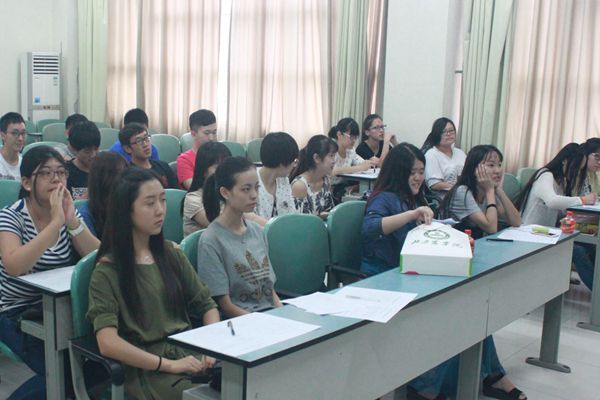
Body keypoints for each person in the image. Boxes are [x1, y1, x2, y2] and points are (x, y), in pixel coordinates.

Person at [361, 144, 525, 400]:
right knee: (454, 312)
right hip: (384, 277)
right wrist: (411, 215)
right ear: (398, 172)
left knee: (472, 306)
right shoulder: (384, 198)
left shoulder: (413, 197)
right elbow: (370, 227)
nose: (418, 177)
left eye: (421, 172)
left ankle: (487, 375)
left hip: (412, 271)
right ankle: (430, 385)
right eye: (413, 172)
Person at [87, 167, 220, 399]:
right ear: (126, 211)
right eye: (150, 203)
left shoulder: (171, 254)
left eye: (162, 200)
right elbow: (107, 342)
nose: (160, 210)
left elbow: (207, 305)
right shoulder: (107, 271)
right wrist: (168, 365)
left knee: (245, 384)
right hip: (147, 369)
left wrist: (211, 347)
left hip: (189, 355)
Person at [0, 146, 99, 400]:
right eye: (46, 173)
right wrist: (55, 224)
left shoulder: (67, 212)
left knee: (96, 364)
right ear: (27, 183)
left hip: (62, 307)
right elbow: (14, 265)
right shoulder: (11, 216)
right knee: (64, 374)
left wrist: (71, 221)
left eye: (61, 172)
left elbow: (97, 258)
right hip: (16, 311)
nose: (56, 179)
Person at [198, 157, 282, 318]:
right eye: (246, 189)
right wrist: (263, 322)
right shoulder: (211, 240)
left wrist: (282, 313)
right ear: (225, 193)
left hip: (269, 316)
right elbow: (225, 305)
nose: (254, 195)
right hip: (242, 320)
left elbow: (270, 291)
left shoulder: (257, 231)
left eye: (256, 188)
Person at [519, 143, 597, 290]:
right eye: (576, 168)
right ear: (564, 161)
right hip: (531, 232)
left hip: (547, 233)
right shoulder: (546, 175)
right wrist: (582, 200)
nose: (576, 173)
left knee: (590, 246)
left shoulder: (561, 181)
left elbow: (560, 211)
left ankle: (597, 291)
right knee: (578, 251)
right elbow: (552, 201)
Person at [440, 145, 521, 238]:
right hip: (453, 241)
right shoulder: (462, 191)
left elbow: (516, 222)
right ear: (475, 169)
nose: (498, 171)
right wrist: (490, 190)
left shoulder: (488, 188)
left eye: (499, 165)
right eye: (491, 165)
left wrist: (499, 190)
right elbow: (491, 228)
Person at [182, 142, 231, 237]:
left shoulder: (227, 193)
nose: (224, 172)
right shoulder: (192, 199)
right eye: (218, 167)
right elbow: (223, 227)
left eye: (227, 167)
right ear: (204, 171)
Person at [79, 152, 129, 238]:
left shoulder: (129, 204)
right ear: (104, 179)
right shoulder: (85, 214)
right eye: (120, 173)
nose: (127, 179)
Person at [328, 118, 378, 203]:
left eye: (356, 137)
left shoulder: (350, 151)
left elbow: (362, 163)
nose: (354, 140)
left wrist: (370, 161)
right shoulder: (330, 150)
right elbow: (332, 171)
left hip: (342, 189)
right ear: (339, 134)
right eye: (351, 137)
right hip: (329, 190)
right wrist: (359, 168)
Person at [255, 132, 299, 219]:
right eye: (294, 161)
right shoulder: (251, 181)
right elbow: (249, 219)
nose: (295, 165)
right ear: (282, 163)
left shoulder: (283, 180)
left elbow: (291, 214)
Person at [119, 123, 178, 189]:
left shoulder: (163, 166)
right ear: (127, 148)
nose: (145, 144)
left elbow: (175, 193)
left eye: (146, 138)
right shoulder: (127, 176)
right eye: (139, 141)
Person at [291, 135, 337, 218]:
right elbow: (298, 221)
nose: (334, 161)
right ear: (316, 158)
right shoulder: (300, 185)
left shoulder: (326, 180)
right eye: (331, 156)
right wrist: (320, 217)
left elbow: (330, 212)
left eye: (334, 156)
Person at [422, 117, 466, 196]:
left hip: (464, 195)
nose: (449, 134)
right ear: (437, 135)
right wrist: (459, 190)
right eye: (444, 132)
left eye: (451, 130)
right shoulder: (431, 155)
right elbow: (435, 184)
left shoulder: (460, 153)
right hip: (445, 198)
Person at [177, 109, 218, 189]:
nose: (211, 138)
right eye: (206, 133)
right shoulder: (184, 160)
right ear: (193, 134)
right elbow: (193, 188)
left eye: (214, 132)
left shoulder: (220, 156)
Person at [65, 121, 101, 199]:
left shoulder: (105, 169)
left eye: (96, 149)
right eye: (87, 151)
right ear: (74, 149)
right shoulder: (66, 172)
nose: (93, 155)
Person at [0, 112, 26, 181]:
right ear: (3, 135)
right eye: (15, 133)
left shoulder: (25, 164)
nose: (20, 138)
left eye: (23, 133)